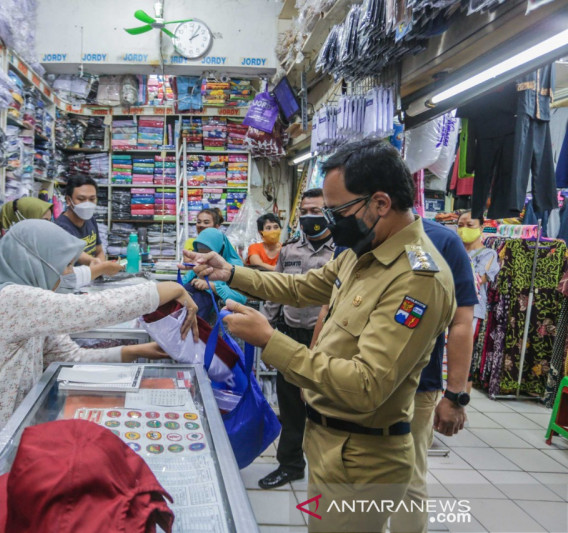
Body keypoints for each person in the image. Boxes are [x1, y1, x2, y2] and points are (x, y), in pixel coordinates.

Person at [184, 139, 456, 533]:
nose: (329, 222)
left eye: (338, 210)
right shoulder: (361, 251)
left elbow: (365, 385)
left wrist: (269, 340)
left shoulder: (416, 279)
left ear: (380, 203)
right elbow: (301, 288)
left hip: (363, 457)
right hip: (327, 443)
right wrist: (231, 273)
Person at [0, 220, 199, 532]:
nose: (68, 275)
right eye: (64, 266)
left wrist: (134, 352)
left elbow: (71, 357)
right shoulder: (10, 299)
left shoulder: (30, 307)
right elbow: (88, 310)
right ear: (35, 261)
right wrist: (168, 290)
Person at [387, 217, 478, 533]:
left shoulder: (442, 242)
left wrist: (455, 395)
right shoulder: (353, 235)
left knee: (407, 479)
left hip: (415, 386)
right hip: (349, 382)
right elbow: (331, 304)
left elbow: (462, 322)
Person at [259, 188, 335, 490]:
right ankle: (290, 464)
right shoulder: (290, 249)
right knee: (290, 405)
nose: (308, 217)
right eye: (304, 211)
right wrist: (265, 327)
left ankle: (327, 469)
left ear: (329, 212)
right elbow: (277, 288)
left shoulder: (341, 251)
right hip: (290, 333)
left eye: (316, 211)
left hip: (326, 340)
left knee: (323, 405)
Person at [0, 196, 123, 289]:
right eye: (43, 220)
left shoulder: (36, 244)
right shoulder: (14, 254)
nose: (48, 226)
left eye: (49, 220)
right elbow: (59, 280)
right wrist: (101, 269)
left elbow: (64, 258)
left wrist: (94, 263)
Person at [456, 211, 500, 394]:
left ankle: (461, 399)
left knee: (464, 355)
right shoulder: (453, 248)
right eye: (460, 225)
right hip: (448, 307)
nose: (464, 229)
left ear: (481, 227)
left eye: (469, 225)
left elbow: (477, 279)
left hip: (471, 310)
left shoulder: (488, 254)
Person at [182, 227, 246, 322]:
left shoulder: (235, 266)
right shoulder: (202, 262)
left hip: (219, 323)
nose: (204, 258)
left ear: (219, 250)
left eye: (208, 254)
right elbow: (184, 282)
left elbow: (241, 299)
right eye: (200, 253)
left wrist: (212, 286)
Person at [55, 174, 105, 265]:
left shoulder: (91, 220)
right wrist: (100, 266)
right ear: (68, 200)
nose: (87, 204)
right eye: (81, 199)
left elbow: (99, 251)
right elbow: (78, 255)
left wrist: (100, 267)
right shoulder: (60, 228)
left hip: (92, 276)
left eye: (92, 199)